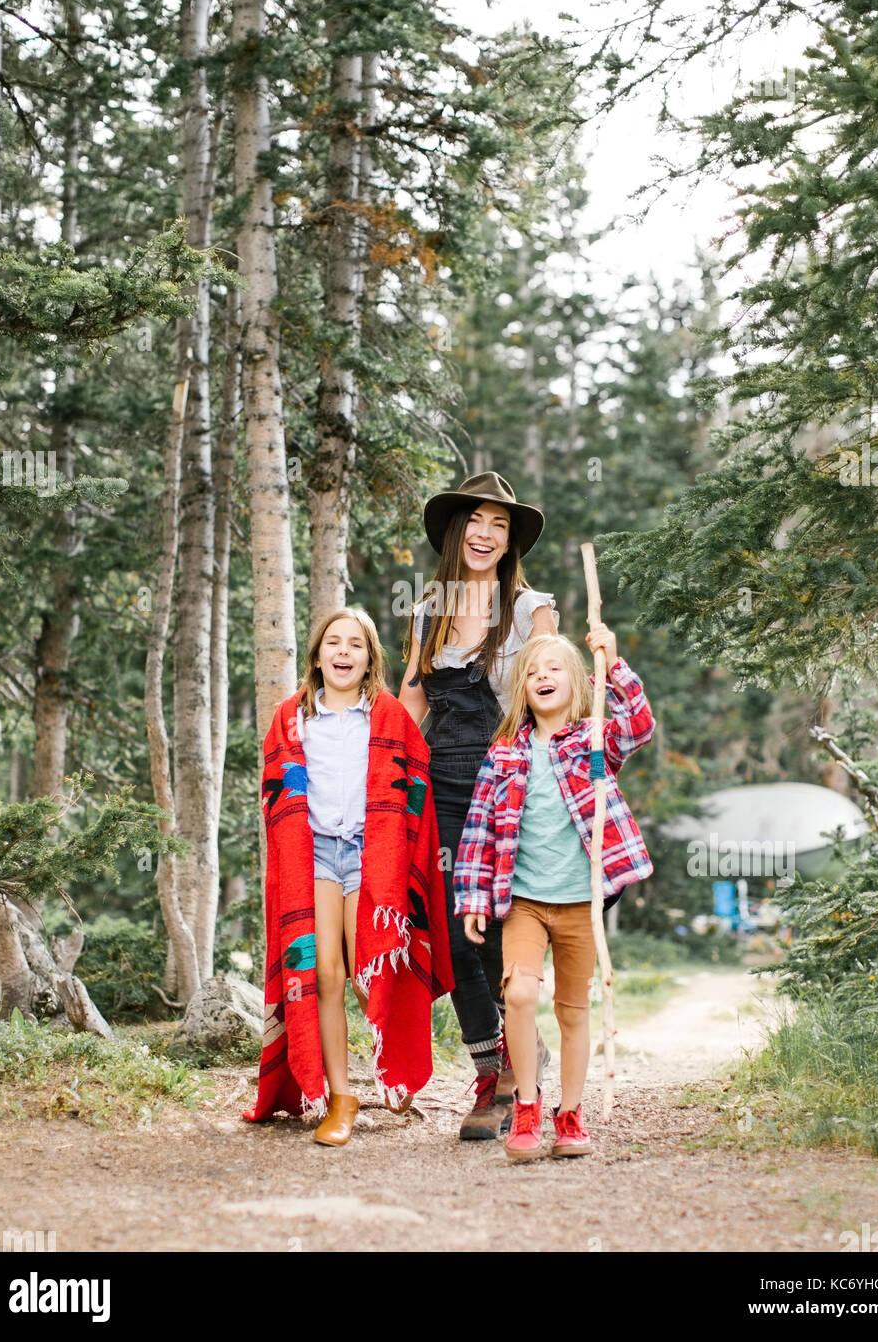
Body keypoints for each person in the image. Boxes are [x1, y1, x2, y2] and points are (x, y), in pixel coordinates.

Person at [243, 608, 453, 1146]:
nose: (343, 652)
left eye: (355, 645)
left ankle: (396, 1064)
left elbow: (416, 782)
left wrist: (403, 848)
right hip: (311, 854)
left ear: (369, 659)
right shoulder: (292, 717)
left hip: (370, 855)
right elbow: (275, 791)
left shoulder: (387, 717)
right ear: (316, 656)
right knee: (325, 977)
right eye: (332, 643)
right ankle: (342, 1097)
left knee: (371, 969)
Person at [453, 630, 654, 1161]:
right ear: (522, 687)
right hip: (523, 901)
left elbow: (638, 726)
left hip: (581, 903)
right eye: (533, 671)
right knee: (518, 995)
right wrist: (473, 897)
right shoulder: (505, 755)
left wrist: (613, 664)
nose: (543, 677)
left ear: (578, 682)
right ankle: (526, 1105)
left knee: (572, 1009)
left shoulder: (593, 741)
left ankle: (570, 1114)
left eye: (554, 669)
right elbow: (479, 829)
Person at [399, 471, 557, 1140]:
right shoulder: (428, 608)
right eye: (475, 521)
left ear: (509, 537)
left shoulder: (532, 610)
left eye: (499, 523)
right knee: (456, 928)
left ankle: (526, 1054)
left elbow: (555, 689)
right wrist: (388, 777)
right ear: (456, 531)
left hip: (510, 779)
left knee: (500, 924)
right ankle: (489, 1073)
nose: (486, 534)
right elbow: (410, 703)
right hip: (444, 781)